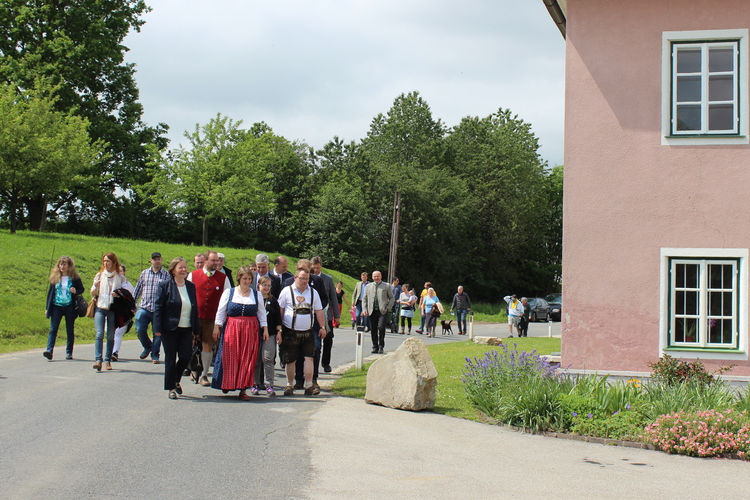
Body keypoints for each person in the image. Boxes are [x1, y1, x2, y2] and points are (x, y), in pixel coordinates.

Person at [211, 265, 267, 400]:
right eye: (244, 278)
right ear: (239, 279)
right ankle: (227, 383)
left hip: (250, 329)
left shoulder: (256, 294)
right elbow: (221, 311)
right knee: (230, 356)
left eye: (249, 279)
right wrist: (217, 327)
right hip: (232, 327)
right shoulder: (229, 292)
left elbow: (261, 313)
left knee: (247, 359)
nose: (247, 281)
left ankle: (243, 389)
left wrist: (265, 329)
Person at [153, 257, 200, 400]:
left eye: (185, 267)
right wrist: (157, 327)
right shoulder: (165, 285)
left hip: (186, 328)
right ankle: (171, 388)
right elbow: (158, 307)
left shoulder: (190, 286)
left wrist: (196, 330)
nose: (184, 270)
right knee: (171, 358)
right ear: (173, 270)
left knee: (185, 356)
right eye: (181, 267)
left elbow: (194, 308)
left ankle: (176, 379)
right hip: (170, 328)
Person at [277, 269, 327, 396]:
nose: (305, 281)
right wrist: (279, 329)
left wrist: (322, 326)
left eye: (307, 279)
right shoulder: (286, 291)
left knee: (309, 358)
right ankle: (289, 384)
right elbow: (280, 311)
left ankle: (309, 385)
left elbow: (319, 310)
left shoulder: (313, 292)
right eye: (302, 278)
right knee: (290, 360)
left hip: (308, 331)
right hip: (290, 330)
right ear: (295, 277)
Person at [187, 250, 231, 386]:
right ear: (205, 261)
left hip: (212, 318)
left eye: (217, 260)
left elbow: (228, 298)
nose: (216, 263)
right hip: (195, 316)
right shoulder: (193, 275)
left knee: (208, 345)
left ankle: (205, 374)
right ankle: (193, 369)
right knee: (190, 344)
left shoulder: (223, 278)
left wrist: (222, 320)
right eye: (213, 260)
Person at [44, 256, 84, 360]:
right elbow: (50, 293)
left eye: (64, 264)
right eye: (60, 264)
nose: (62, 266)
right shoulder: (55, 277)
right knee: (53, 329)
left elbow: (81, 289)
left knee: (69, 329)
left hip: (69, 306)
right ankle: (49, 351)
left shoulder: (74, 278)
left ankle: (69, 352)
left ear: (69, 266)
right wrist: (47, 308)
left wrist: (75, 291)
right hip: (57, 306)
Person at [133, 252, 170, 363]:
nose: (157, 261)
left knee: (157, 333)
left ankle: (155, 355)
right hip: (144, 307)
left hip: (159, 309)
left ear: (161, 260)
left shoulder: (166, 275)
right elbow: (138, 289)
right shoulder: (144, 273)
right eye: (155, 259)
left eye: (159, 259)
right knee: (139, 329)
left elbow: (168, 292)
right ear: (151, 261)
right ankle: (148, 346)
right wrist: (132, 303)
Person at [91, 252, 124, 371]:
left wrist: (117, 295)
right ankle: (98, 360)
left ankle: (108, 360)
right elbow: (93, 293)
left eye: (108, 261)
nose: (106, 263)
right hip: (100, 307)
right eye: (104, 261)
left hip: (112, 309)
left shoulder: (119, 277)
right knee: (99, 334)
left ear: (114, 262)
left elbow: (123, 294)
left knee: (110, 336)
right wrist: (96, 286)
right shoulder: (100, 275)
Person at [252, 275, 281, 396]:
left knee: (268, 359)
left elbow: (278, 319)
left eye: (269, 285)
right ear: (258, 285)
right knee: (256, 359)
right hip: (255, 334)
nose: (267, 288)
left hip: (270, 334)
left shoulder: (273, 301)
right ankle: (255, 384)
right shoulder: (253, 299)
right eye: (264, 285)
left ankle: (269, 385)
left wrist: (279, 332)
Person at [311, 256, 339, 374]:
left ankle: (326, 363)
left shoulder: (328, 279)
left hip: (326, 314)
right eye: (314, 268)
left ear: (321, 266)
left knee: (328, 339)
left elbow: (333, 297)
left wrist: (336, 316)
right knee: (314, 342)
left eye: (318, 268)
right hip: (312, 316)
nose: (316, 270)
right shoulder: (307, 278)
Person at [362, 270, 395, 354]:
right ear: (372, 277)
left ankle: (381, 346)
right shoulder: (368, 286)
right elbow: (364, 299)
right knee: (373, 329)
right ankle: (375, 346)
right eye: (375, 276)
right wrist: (364, 309)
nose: (376, 278)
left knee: (381, 327)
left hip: (382, 311)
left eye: (378, 276)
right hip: (372, 311)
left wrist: (388, 308)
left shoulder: (386, 286)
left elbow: (392, 298)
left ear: (381, 277)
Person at [112, 264, 136, 361]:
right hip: (112, 311)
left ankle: (115, 352)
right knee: (110, 332)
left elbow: (133, 298)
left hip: (124, 313)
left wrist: (133, 308)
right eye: (117, 271)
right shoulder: (112, 282)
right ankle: (111, 350)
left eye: (121, 271)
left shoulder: (128, 285)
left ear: (124, 272)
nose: (119, 273)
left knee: (118, 332)